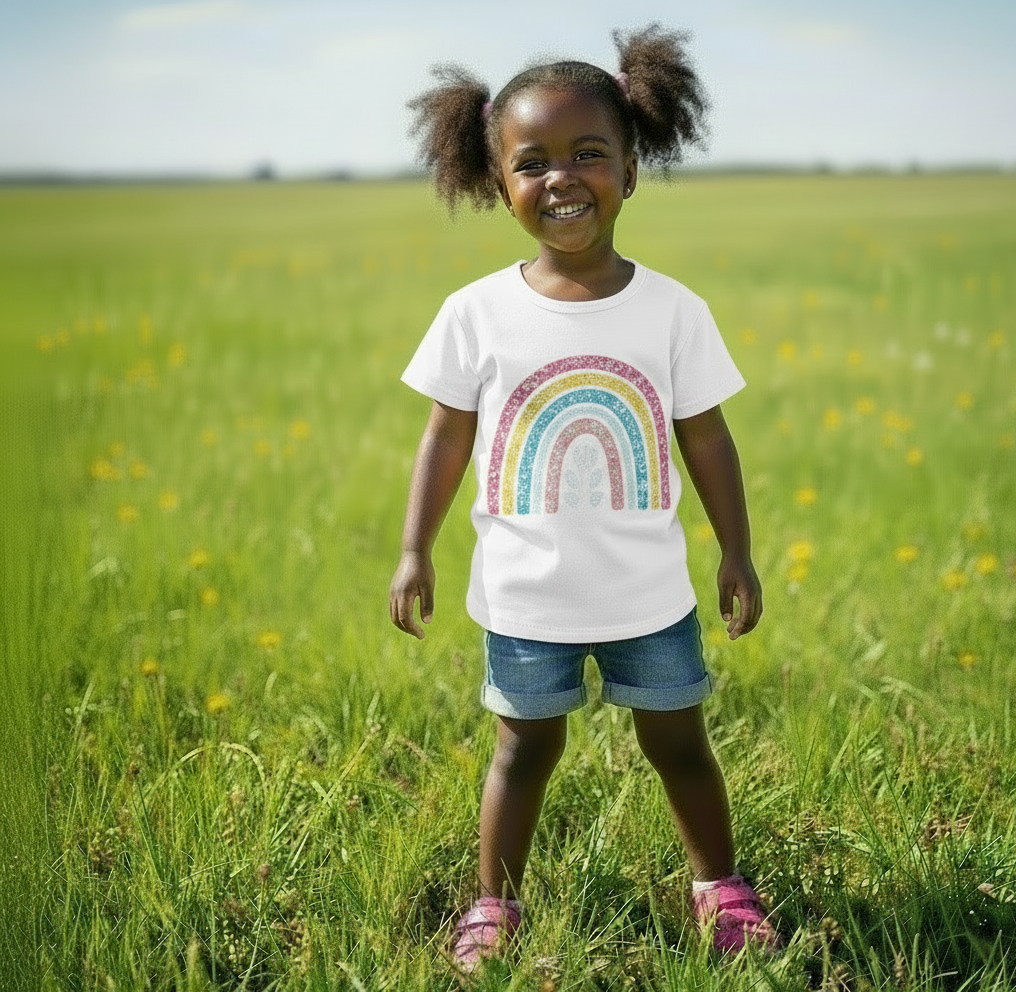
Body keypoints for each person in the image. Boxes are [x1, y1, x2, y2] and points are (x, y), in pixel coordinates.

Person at [389, 24, 782, 972]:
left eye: (587, 153)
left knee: (679, 744)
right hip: (527, 595)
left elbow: (707, 436)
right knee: (523, 753)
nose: (562, 177)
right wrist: (414, 550)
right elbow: (446, 437)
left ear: (632, 168)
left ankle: (719, 889)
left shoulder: (673, 309)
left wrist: (735, 550)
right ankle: (495, 906)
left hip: (650, 593)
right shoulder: (476, 313)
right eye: (533, 163)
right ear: (499, 183)